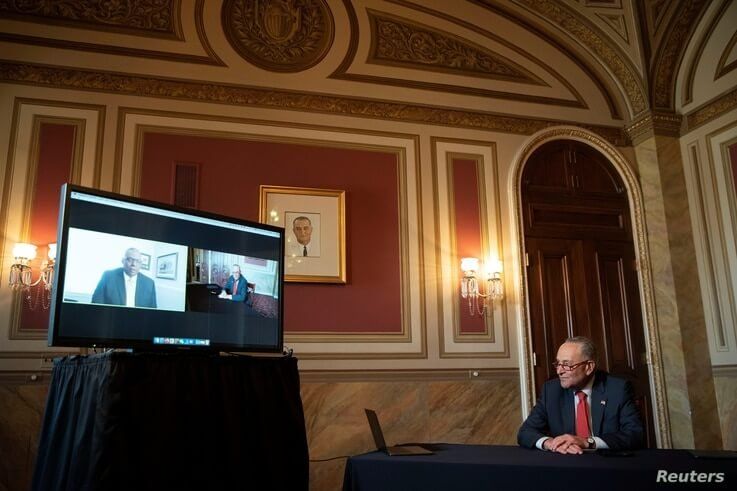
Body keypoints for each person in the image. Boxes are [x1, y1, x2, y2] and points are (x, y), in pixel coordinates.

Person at [517, 336, 644, 453]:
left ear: (589, 367)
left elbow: (634, 434)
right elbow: (526, 432)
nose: (559, 371)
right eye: (557, 364)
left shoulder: (617, 389)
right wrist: (551, 443)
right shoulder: (551, 391)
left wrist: (587, 442)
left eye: (566, 365)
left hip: (606, 462)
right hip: (566, 462)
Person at [91, 247, 157, 308]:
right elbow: (96, 302)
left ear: (141, 264)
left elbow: (153, 309)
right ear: (123, 261)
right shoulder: (108, 276)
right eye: (130, 260)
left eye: (137, 261)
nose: (133, 264)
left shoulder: (149, 283)